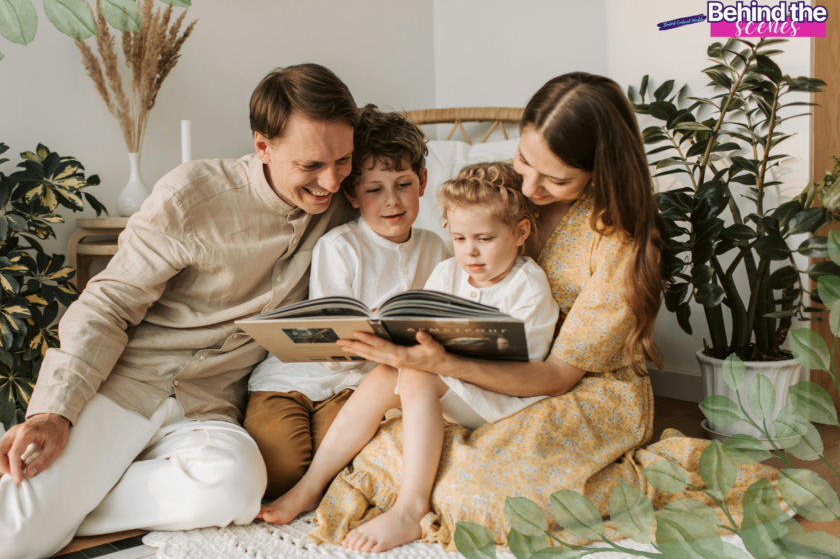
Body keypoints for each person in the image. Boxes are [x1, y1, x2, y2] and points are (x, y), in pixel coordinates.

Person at [0, 63, 359, 559]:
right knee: (5, 541)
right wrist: (53, 412)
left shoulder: (345, 201)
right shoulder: (193, 197)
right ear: (262, 146)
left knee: (234, 488)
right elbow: (107, 305)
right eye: (311, 165)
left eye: (343, 160)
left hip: (208, 407)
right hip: (126, 386)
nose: (332, 182)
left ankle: (51, 511)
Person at [307, 71, 667, 553]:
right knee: (388, 442)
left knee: (472, 493)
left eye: (556, 178)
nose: (530, 185)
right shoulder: (503, 190)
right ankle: (389, 494)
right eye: (524, 160)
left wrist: (443, 363)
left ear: (600, 170)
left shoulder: (619, 242)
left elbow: (558, 376)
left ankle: (413, 507)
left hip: (573, 386)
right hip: (476, 368)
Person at [260, 162, 560, 552]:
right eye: (459, 238)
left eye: (485, 239)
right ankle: (311, 486)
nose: (470, 251)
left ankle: (411, 508)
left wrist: (435, 360)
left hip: (499, 397)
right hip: (453, 386)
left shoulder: (528, 285)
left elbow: (523, 370)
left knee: (417, 373)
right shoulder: (448, 272)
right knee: (387, 372)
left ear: (520, 232)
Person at [244, 105, 448, 499]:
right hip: (294, 379)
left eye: (403, 184)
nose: (392, 201)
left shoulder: (435, 248)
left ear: (422, 182)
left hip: (358, 388)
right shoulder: (340, 247)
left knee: (339, 464)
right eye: (374, 189)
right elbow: (330, 344)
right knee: (279, 470)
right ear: (352, 194)